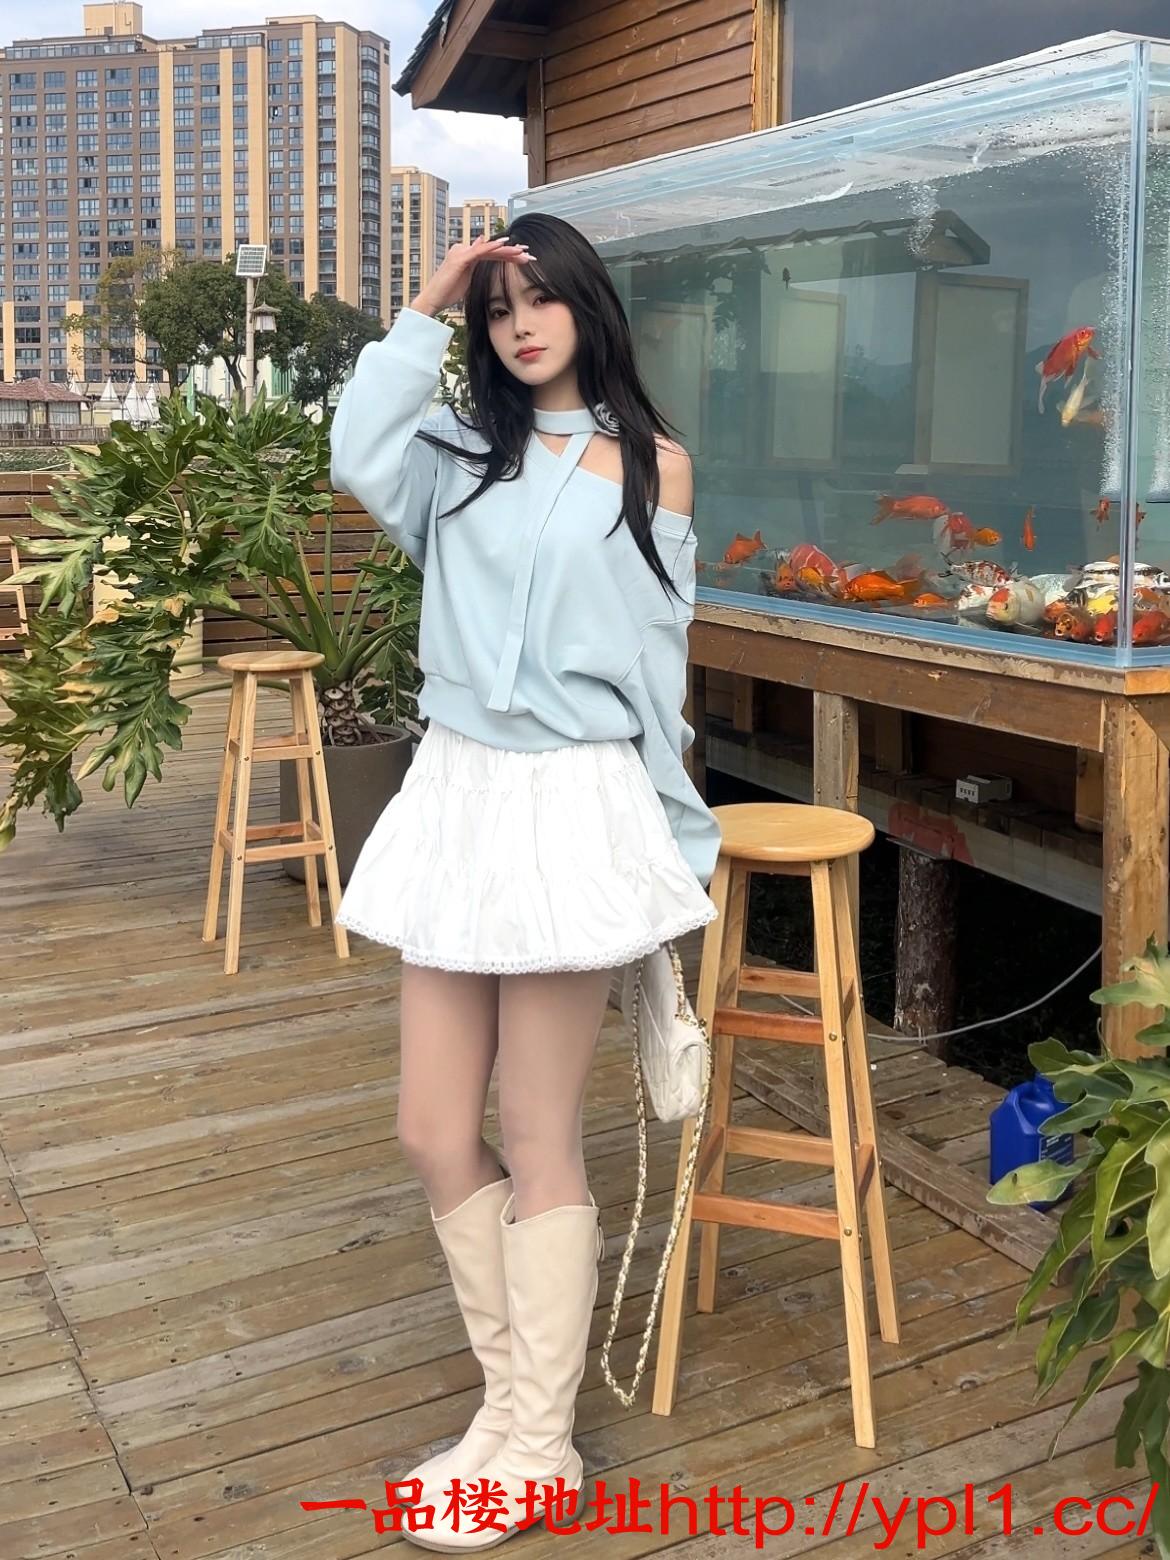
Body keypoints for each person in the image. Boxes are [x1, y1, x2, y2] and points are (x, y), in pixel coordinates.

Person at [328, 211, 722, 1552]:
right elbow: (355, 450)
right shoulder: (454, 452)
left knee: (537, 1128)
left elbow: (658, 672)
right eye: (500, 310)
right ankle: (506, 1408)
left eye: (541, 300)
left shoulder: (653, 468)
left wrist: (673, 849)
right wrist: (428, 303)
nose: (521, 326)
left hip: (573, 801)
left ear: (587, 308)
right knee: (431, 1126)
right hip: (459, 792)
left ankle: (536, 1443)